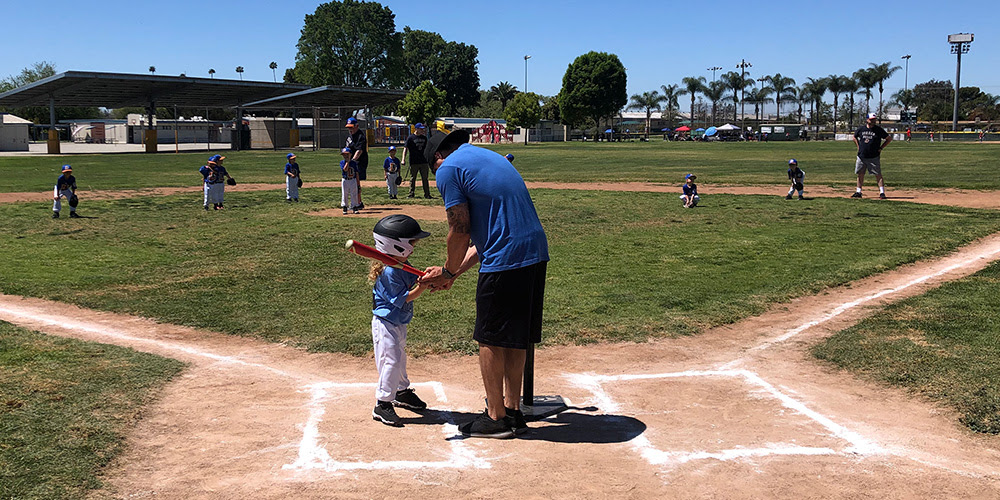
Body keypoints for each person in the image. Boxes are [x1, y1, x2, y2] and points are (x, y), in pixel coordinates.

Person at [419, 129, 549, 439]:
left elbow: (459, 228)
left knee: (490, 338)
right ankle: (512, 410)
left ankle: (495, 416)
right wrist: (452, 274)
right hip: (534, 251)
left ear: (437, 158)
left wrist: (447, 269)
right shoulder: (488, 157)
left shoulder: (448, 169)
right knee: (515, 336)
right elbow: (488, 238)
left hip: (506, 258)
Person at [369, 214, 431, 427]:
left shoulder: (401, 264)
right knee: (391, 361)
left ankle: (401, 391)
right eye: (412, 241)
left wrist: (427, 279)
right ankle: (383, 403)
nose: (414, 245)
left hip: (397, 322)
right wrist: (421, 288)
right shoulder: (389, 273)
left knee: (400, 359)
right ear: (397, 245)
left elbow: (414, 279)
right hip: (385, 324)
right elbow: (403, 298)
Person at [852, 113, 892, 199]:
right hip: (862, 156)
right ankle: (858, 191)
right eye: (871, 119)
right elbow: (854, 137)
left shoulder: (878, 130)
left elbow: (888, 139)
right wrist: (858, 146)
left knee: (878, 174)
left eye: (874, 119)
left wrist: (881, 148)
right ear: (867, 120)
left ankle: (882, 192)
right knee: (860, 173)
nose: (873, 121)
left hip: (874, 156)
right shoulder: (861, 129)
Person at [401, 123, 432, 199]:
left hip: (423, 161)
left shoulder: (424, 138)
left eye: (423, 129)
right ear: (416, 129)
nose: (422, 130)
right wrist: (403, 159)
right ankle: (411, 194)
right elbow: (405, 149)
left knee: (425, 178)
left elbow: (427, 149)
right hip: (414, 161)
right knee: (412, 178)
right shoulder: (411, 138)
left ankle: (427, 194)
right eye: (421, 129)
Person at [345, 117, 368, 208]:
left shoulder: (360, 136)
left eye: (351, 127)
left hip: (359, 162)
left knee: (356, 182)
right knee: (352, 182)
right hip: (351, 162)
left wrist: (352, 162)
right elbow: (346, 149)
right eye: (348, 127)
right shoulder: (350, 137)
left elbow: (359, 151)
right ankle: (357, 202)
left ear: (357, 126)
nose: (350, 129)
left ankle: (358, 203)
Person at [340, 148, 361, 214]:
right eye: (344, 155)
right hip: (345, 180)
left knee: (354, 193)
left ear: (351, 155)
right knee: (345, 193)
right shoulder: (342, 162)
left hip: (353, 180)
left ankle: (354, 206)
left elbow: (357, 173)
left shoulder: (354, 163)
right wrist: (348, 162)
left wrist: (358, 184)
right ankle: (345, 207)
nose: (346, 156)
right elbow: (345, 169)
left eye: (347, 154)